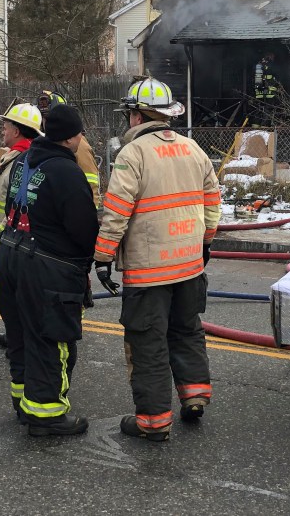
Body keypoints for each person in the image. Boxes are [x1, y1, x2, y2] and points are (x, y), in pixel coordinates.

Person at [93, 77, 222, 442]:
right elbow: (213, 203)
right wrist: (205, 243)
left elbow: (116, 213)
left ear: (136, 115)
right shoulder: (193, 149)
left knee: (147, 342)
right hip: (189, 266)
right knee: (187, 330)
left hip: (149, 272)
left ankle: (153, 421)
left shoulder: (132, 155)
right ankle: (194, 396)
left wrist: (103, 257)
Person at [0, 103, 98, 436]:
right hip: (46, 266)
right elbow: (83, 228)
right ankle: (46, 413)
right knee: (52, 340)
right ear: (70, 137)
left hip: (11, 256)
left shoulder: (24, 160)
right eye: (79, 133)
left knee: (20, 335)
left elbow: (11, 206)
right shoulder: (66, 171)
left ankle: (24, 401)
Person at [0, 102, 43, 349]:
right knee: (11, 294)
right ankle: (16, 336)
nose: (3, 130)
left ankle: (20, 341)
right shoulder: (14, 157)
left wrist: (2, 235)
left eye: (6, 126)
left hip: (12, 240)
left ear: (17, 131)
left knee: (17, 294)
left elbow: (16, 206)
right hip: (8, 238)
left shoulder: (23, 160)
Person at [38, 90, 101, 209]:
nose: (46, 123)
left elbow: (91, 184)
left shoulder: (79, 145)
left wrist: (89, 213)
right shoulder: (46, 142)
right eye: (44, 118)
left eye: (50, 118)